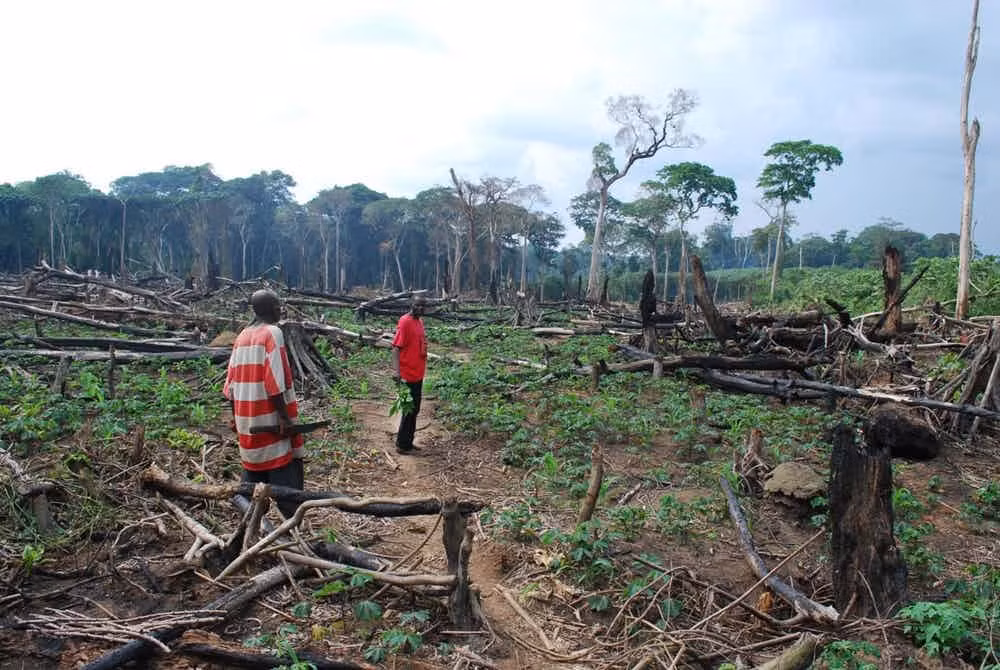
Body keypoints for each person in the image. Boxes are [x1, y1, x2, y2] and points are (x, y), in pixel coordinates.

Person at [223, 288, 303, 517]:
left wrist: (237, 421)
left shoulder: (242, 337)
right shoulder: (272, 333)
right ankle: (291, 537)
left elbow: (231, 388)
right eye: (277, 306)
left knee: (250, 492)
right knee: (288, 494)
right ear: (268, 309)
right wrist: (285, 420)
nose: (280, 309)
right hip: (271, 426)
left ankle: (250, 535)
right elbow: (274, 383)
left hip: (249, 428)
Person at [391, 295, 428, 454]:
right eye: (417, 305)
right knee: (408, 410)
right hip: (407, 375)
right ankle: (401, 445)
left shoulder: (419, 322)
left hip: (418, 374)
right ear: (411, 305)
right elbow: (395, 348)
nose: (420, 308)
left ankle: (408, 442)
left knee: (415, 410)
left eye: (423, 306)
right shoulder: (405, 322)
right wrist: (396, 372)